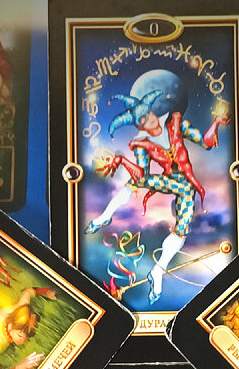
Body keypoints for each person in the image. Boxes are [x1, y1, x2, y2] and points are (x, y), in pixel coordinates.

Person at [89, 69, 229, 303]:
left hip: (185, 185)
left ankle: (158, 271)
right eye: (143, 120)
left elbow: (205, 142)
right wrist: (122, 160)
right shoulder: (141, 144)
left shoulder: (176, 124)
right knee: (138, 181)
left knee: (182, 229)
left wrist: (216, 122)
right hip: (167, 181)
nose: (150, 120)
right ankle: (105, 216)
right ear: (140, 125)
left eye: (149, 114)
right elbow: (141, 175)